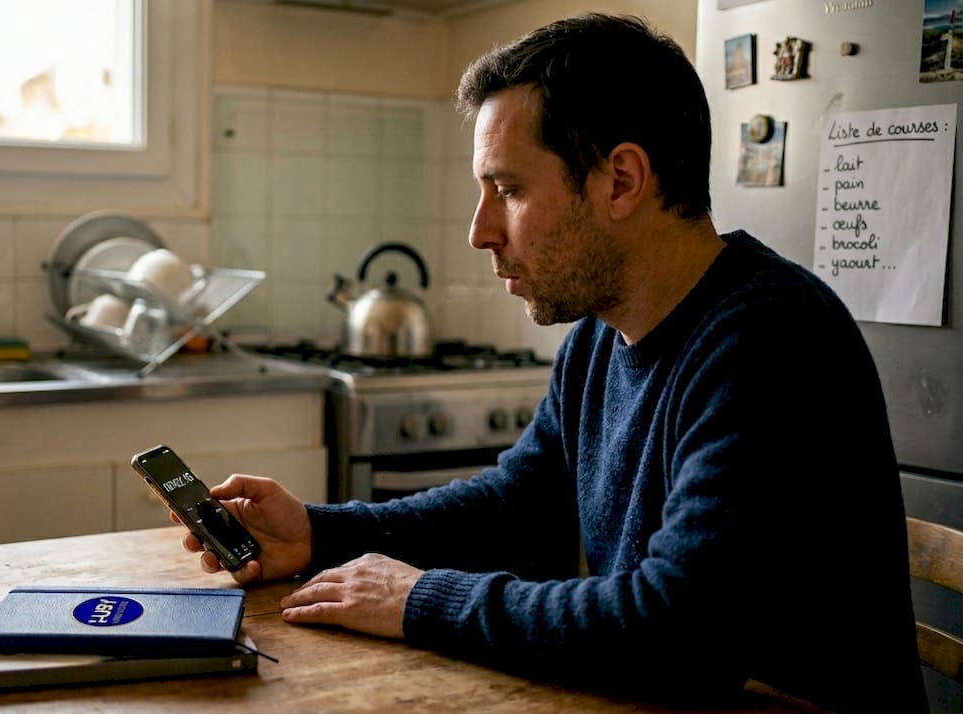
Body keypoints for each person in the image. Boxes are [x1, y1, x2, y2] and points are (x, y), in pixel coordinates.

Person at [178, 13, 927, 712]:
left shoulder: (770, 340)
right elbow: (517, 507)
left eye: (507, 189)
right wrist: (317, 533)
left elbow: (675, 629)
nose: (480, 232)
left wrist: (418, 599)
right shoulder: (602, 337)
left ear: (621, 181)